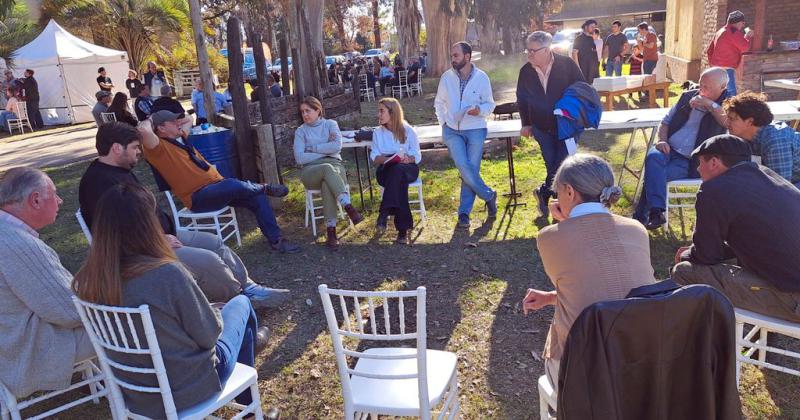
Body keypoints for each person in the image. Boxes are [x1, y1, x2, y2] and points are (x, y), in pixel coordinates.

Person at [72, 182, 267, 419]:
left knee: (234, 319)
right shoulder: (167, 273)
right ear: (147, 226)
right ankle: (249, 411)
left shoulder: (87, 281)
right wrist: (214, 311)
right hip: (189, 388)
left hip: (136, 394)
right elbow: (209, 335)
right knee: (242, 305)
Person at [79, 122, 289, 307]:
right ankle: (239, 297)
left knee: (215, 242)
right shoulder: (100, 184)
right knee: (209, 261)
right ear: (117, 148)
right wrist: (158, 239)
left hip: (162, 236)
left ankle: (248, 286)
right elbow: (114, 233)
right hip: (142, 251)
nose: (139, 153)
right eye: (134, 148)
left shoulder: (119, 168)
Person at [522, 154, 655, 387]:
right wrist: (552, 298)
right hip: (643, 358)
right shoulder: (637, 229)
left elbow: (582, 278)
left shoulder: (550, 238)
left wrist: (563, 223)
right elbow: (600, 282)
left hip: (585, 369)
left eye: (557, 192)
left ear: (570, 192)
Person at [672, 134, 800, 322]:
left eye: (700, 163)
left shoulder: (714, 190)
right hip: (792, 284)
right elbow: (761, 240)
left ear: (714, 162)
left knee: (684, 271)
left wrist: (686, 255)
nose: (698, 169)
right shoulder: (768, 177)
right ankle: (758, 344)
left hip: (793, 299)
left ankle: (703, 342)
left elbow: (707, 255)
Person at [137, 110, 301, 253]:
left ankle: (276, 241)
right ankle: (264, 187)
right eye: (172, 121)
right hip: (199, 197)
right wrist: (151, 119)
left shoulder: (181, 137)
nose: (178, 123)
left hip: (218, 188)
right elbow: (142, 130)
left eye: (176, 120)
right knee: (234, 185)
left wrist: (176, 121)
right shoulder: (156, 148)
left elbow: (188, 119)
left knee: (256, 197)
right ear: (161, 128)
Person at [0, 167, 94, 400]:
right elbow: (70, 311)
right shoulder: (17, 244)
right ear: (36, 199)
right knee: (131, 322)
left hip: (9, 345)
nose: (60, 200)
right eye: (55, 193)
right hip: (26, 353)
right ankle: (151, 388)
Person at [633, 67, 730, 229]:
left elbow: (727, 122)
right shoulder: (687, 96)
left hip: (691, 159)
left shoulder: (728, 104)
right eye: (700, 85)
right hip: (669, 147)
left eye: (707, 87)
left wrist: (709, 104)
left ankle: (644, 217)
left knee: (655, 176)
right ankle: (655, 212)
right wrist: (662, 140)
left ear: (722, 88)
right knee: (653, 158)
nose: (701, 90)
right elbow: (665, 122)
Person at [516, 31, 585, 218]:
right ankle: (556, 204)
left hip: (567, 127)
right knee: (552, 167)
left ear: (546, 50)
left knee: (562, 167)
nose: (529, 54)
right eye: (527, 50)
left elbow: (581, 90)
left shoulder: (566, 65)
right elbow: (521, 99)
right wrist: (526, 123)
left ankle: (546, 194)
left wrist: (574, 114)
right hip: (542, 128)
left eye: (533, 50)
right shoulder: (526, 71)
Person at [434, 41, 497, 228]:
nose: (452, 59)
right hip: (452, 130)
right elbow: (439, 102)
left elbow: (490, 104)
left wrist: (480, 110)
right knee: (463, 166)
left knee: (471, 169)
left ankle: (463, 214)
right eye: (452, 56)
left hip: (476, 128)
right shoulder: (446, 77)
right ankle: (488, 195)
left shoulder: (482, 77)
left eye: (456, 56)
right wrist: (443, 122)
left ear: (467, 57)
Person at [293, 97, 363, 248]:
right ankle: (348, 206)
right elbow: (299, 158)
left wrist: (311, 148)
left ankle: (331, 232)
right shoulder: (301, 131)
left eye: (308, 111)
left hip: (335, 166)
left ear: (318, 110)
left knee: (327, 182)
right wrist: (326, 150)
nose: (304, 115)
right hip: (311, 171)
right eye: (302, 112)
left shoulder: (330, 124)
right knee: (326, 169)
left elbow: (337, 146)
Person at [370, 98, 422, 245]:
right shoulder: (377, 133)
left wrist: (408, 159)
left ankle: (384, 212)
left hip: (408, 167)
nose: (378, 114)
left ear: (392, 113)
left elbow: (417, 155)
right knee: (397, 175)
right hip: (386, 169)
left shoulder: (408, 130)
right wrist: (386, 159)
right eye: (379, 111)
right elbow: (374, 156)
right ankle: (402, 231)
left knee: (398, 170)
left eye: (382, 111)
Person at [725, 92, 800, 186]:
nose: (727, 122)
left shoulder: (775, 139)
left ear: (749, 121)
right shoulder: (743, 137)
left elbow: (782, 187)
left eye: (732, 119)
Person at [707, 10, 753, 97]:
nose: (743, 25)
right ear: (737, 22)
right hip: (726, 70)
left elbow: (709, 51)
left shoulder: (720, 31)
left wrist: (713, 64)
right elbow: (745, 47)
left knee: (716, 95)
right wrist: (748, 36)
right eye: (743, 23)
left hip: (716, 68)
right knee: (731, 97)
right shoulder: (733, 32)